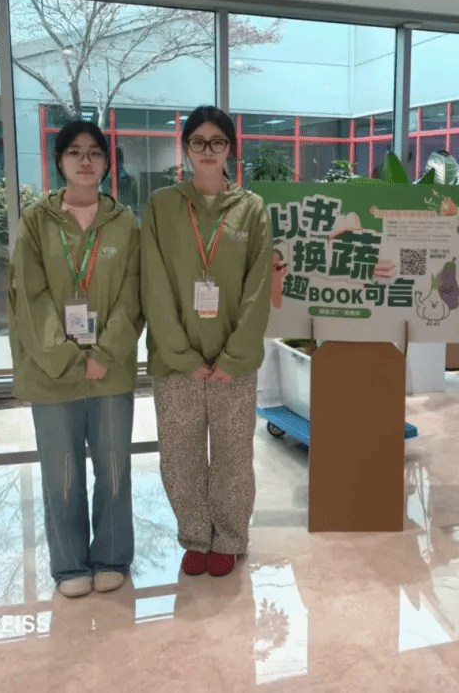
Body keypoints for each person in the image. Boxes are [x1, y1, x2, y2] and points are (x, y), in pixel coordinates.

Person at [8, 120, 143, 598]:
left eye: (95, 153)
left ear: (107, 162)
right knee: (61, 473)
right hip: (52, 371)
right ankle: (69, 567)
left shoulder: (124, 223)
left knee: (114, 468)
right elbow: (29, 296)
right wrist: (68, 358)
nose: (85, 161)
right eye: (74, 152)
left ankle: (111, 556)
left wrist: (103, 353)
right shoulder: (36, 221)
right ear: (59, 161)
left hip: (110, 369)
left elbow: (134, 295)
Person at [141, 105, 272, 579]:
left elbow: (258, 288)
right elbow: (153, 283)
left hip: (233, 362)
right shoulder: (162, 206)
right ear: (186, 148)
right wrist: (180, 354)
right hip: (176, 361)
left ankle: (231, 538)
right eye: (198, 142)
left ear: (230, 148)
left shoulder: (251, 209)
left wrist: (235, 356)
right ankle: (196, 536)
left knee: (234, 457)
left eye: (218, 142)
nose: (208, 151)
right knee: (181, 456)